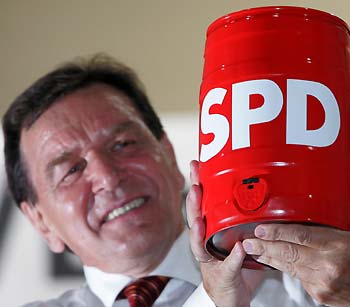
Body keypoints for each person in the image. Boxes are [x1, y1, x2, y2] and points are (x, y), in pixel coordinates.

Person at [2, 53, 349, 307]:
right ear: (40, 220)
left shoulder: (314, 286)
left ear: (168, 153)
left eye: (123, 144)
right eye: (71, 170)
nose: (108, 178)